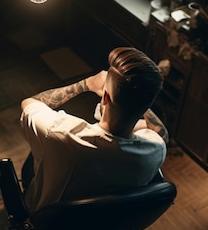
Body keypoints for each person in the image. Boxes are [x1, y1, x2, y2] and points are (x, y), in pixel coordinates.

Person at [19, 47, 169, 212]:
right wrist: (139, 98)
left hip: (45, 226)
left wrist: (86, 84)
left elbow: (29, 103)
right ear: (147, 106)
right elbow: (160, 131)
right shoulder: (156, 149)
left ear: (105, 97)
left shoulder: (61, 134)